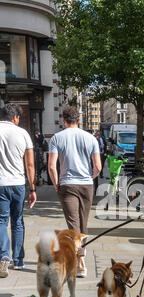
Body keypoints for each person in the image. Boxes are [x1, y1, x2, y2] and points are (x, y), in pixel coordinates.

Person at [48, 106, 101, 278]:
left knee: (73, 225)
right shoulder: (90, 138)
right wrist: (89, 178)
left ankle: (80, 262)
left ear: (64, 120)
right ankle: (81, 259)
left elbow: (51, 166)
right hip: (86, 185)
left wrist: (57, 184)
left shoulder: (57, 138)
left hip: (67, 184)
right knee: (83, 224)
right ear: (78, 120)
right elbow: (98, 167)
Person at [0, 103, 37, 278]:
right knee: (18, 221)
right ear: (15, 117)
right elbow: (30, 165)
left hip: (0, 184)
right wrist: (32, 188)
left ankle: (3, 256)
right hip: (17, 184)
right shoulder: (23, 134)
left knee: (1, 221)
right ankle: (19, 260)